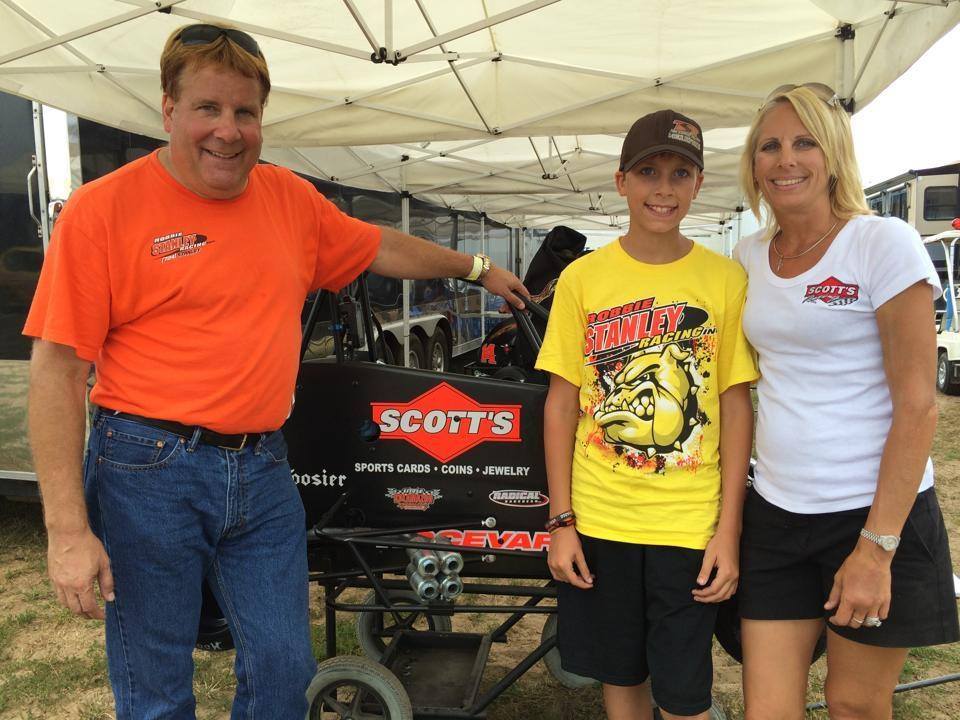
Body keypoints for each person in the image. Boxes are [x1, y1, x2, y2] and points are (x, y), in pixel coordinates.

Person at [23, 23, 527, 720]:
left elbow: (377, 245)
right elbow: (55, 371)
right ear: (168, 110)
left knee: (286, 670)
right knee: (156, 686)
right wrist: (68, 531)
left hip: (261, 470)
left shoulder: (288, 198)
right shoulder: (102, 210)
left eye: (245, 113)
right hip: (147, 469)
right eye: (208, 108)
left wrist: (476, 267)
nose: (228, 132)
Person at [734, 83, 960, 720]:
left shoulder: (882, 242)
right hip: (776, 513)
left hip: (872, 515)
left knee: (854, 705)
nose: (786, 160)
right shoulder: (746, 256)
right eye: (769, 146)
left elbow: (918, 406)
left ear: (833, 155)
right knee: (766, 710)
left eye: (804, 142)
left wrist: (876, 547)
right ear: (753, 164)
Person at [536, 109, 758, 720]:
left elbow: (735, 405)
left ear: (698, 183)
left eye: (680, 173)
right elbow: (561, 404)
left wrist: (728, 532)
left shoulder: (725, 280)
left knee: (686, 697)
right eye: (649, 171)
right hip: (601, 520)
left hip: (688, 524)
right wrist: (561, 522)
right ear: (621, 181)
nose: (663, 188)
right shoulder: (581, 278)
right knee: (621, 680)